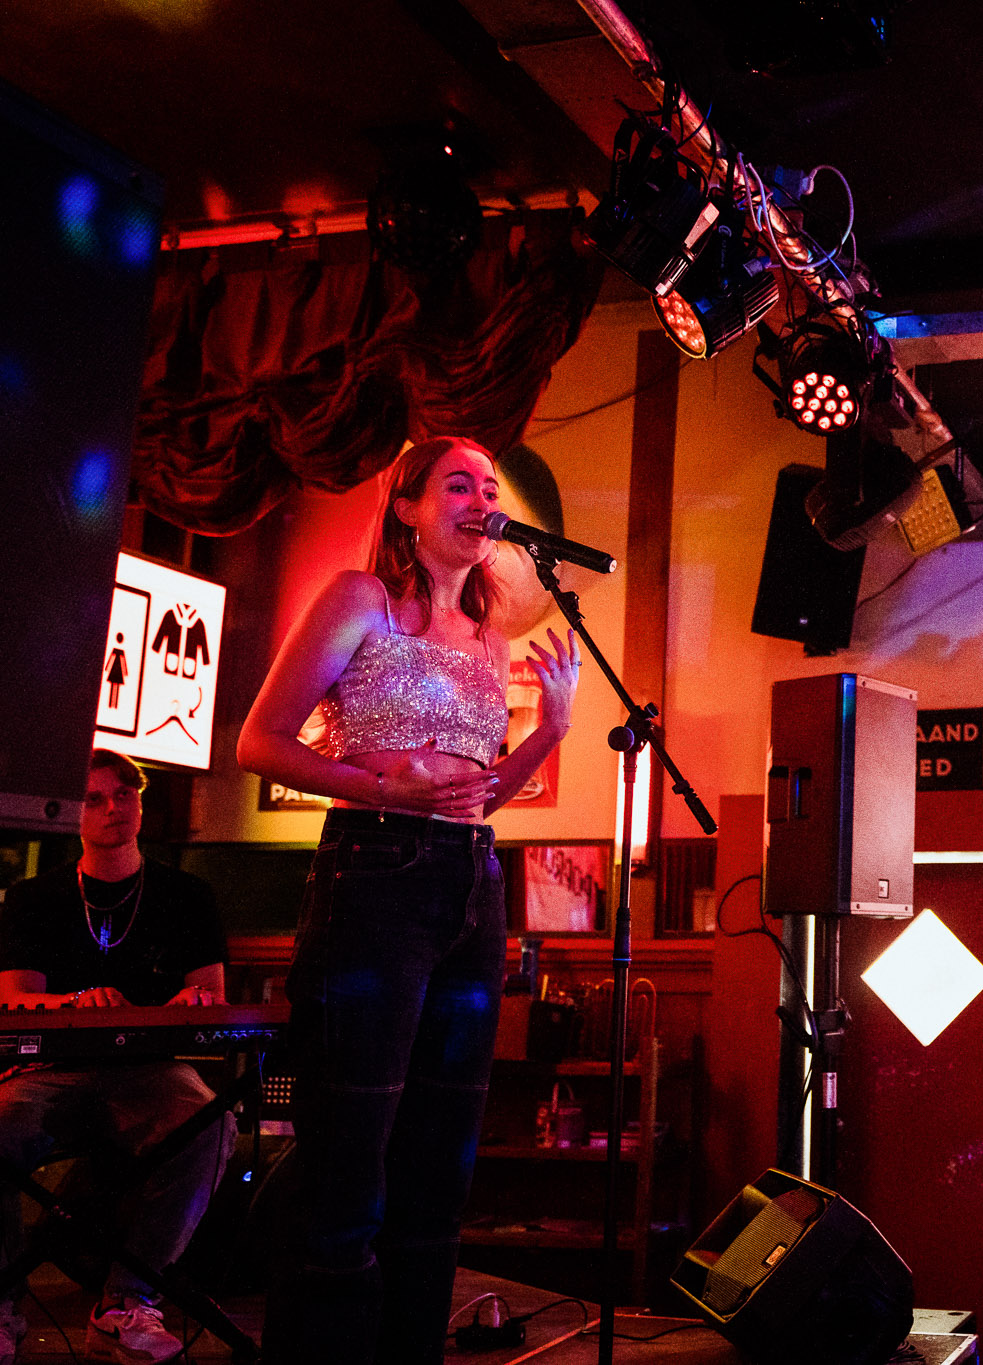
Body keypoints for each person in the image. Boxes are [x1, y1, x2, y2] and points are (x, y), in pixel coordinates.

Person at [237, 437, 579, 1364]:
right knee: (352, 1144)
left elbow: (483, 796)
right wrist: (381, 789)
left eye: (491, 488)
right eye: (459, 483)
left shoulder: (492, 641)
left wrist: (548, 732)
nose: (481, 498)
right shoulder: (362, 601)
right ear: (408, 507)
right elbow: (259, 742)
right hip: (375, 871)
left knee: (442, 1153)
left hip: (473, 881)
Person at [0, 749, 236, 1365]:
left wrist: (193, 1000)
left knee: (209, 1124)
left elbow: (212, 995)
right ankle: (2, 1303)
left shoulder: (186, 895)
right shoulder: (33, 898)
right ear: (69, 813)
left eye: (123, 795)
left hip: (149, 1068)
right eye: (94, 799)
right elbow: (14, 999)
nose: (112, 809)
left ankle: (126, 1302)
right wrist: (79, 1002)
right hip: (49, 1069)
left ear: (140, 800)